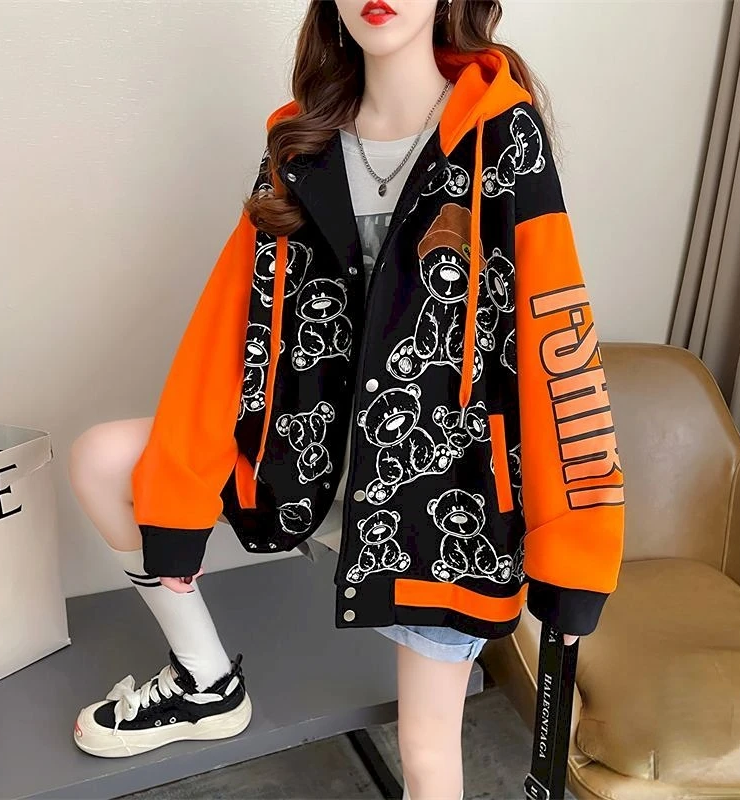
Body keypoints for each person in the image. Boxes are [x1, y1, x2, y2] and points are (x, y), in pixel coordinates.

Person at [68, 1, 625, 798]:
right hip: (304, 465)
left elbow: (554, 342)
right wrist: (177, 504)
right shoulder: (302, 141)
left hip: (441, 499)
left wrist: (575, 550)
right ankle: (204, 681)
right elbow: (228, 323)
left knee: (427, 755)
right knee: (101, 459)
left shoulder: (503, 136)